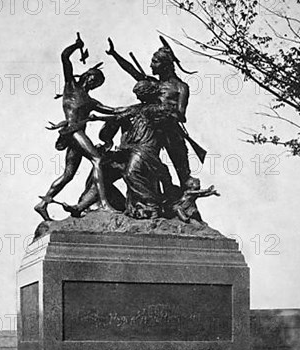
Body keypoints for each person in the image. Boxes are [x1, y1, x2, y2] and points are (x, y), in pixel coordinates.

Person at [34, 33, 120, 221]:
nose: (94, 84)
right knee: (97, 160)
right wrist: (76, 45)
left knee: (68, 174)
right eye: (94, 80)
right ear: (88, 76)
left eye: (97, 84)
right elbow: (64, 57)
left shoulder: (90, 100)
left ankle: (43, 203)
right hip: (74, 132)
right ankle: (104, 204)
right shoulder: (71, 86)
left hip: (75, 135)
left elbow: (113, 110)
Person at [63, 79, 175, 219]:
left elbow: (171, 114)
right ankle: (80, 206)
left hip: (144, 150)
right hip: (127, 150)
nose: (137, 97)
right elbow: (117, 112)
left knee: (131, 173)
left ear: (148, 94)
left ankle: (152, 205)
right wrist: (99, 119)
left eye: (140, 94)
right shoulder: (136, 108)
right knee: (102, 171)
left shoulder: (158, 110)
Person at [105, 37, 206, 190]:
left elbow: (181, 114)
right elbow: (132, 70)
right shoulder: (153, 84)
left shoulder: (181, 87)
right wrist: (114, 54)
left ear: (165, 65)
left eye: (155, 62)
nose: (151, 65)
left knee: (182, 169)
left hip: (170, 129)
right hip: (151, 130)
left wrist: (165, 111)